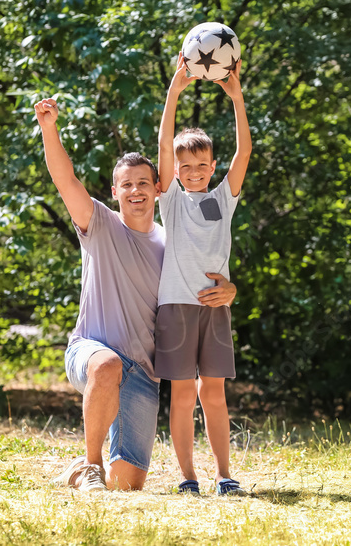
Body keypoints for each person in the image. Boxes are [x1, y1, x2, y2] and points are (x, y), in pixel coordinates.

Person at [34, 98, 237, 491]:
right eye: (126, 184)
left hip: (143, 373)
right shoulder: (99, 224)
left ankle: (82, 469)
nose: (135, 190)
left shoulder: (171, 243)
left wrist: (230, 290)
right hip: (91, 354)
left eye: (143, 182)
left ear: (159, 187)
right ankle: (92, 464)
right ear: (115, 191)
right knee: (107, 365)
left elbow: (204, 287)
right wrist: (49, 129)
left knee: (128, 484)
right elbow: (65, 180)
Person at [155, 51, 251, 496]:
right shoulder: (171, 198)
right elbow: (165, 149)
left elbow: (245, 150)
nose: (193, 173)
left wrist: (236, 98)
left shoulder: (222, 199)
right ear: (176, 172)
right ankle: (187, 478)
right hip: (176, 307)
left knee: (213, 394)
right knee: (180, 395)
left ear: (212, 167)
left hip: (215, 308)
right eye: (185, 167)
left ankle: (224, 475)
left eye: (201, 166)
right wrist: (174, 92)